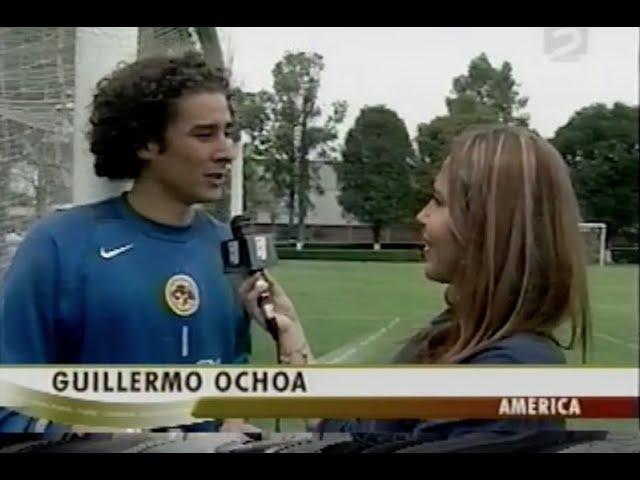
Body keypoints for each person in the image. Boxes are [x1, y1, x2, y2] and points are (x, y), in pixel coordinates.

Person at [240, 124, 591, 441]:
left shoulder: (507, 380)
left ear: (486, 227)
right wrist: (290, 334)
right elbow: (350, 431)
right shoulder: (456, 335)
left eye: (438, 201)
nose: (420, 215)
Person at [0, 52, 251, 433]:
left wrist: (233, 419)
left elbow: (233, 368)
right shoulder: (58, 245)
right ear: (146, 143)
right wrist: (79, 433)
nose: (225, 151)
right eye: (204, 134)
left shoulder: (228, 249)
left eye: (227, 133)